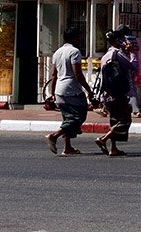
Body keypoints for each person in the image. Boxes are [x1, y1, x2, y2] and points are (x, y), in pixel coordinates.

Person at [45, 26, 91, 156]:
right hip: (71, 89)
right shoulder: (74, 52)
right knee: (79, 116)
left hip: (60, 89)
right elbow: (77, 73)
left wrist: (53, 93)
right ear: (75, 38)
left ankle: (67, 147)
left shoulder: (57, 52)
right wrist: (88, 89)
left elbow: (53, 75)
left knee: (67, 118)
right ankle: (54, 136)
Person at [95, 27, 135, 157]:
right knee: (125, 121)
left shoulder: (105, 56)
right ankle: (104, 139)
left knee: (114, 120)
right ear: (118, 41)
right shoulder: (118, 54)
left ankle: (114, 148)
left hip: (108, 94)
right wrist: (132, 52)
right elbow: (134, 66)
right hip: (119, 93)